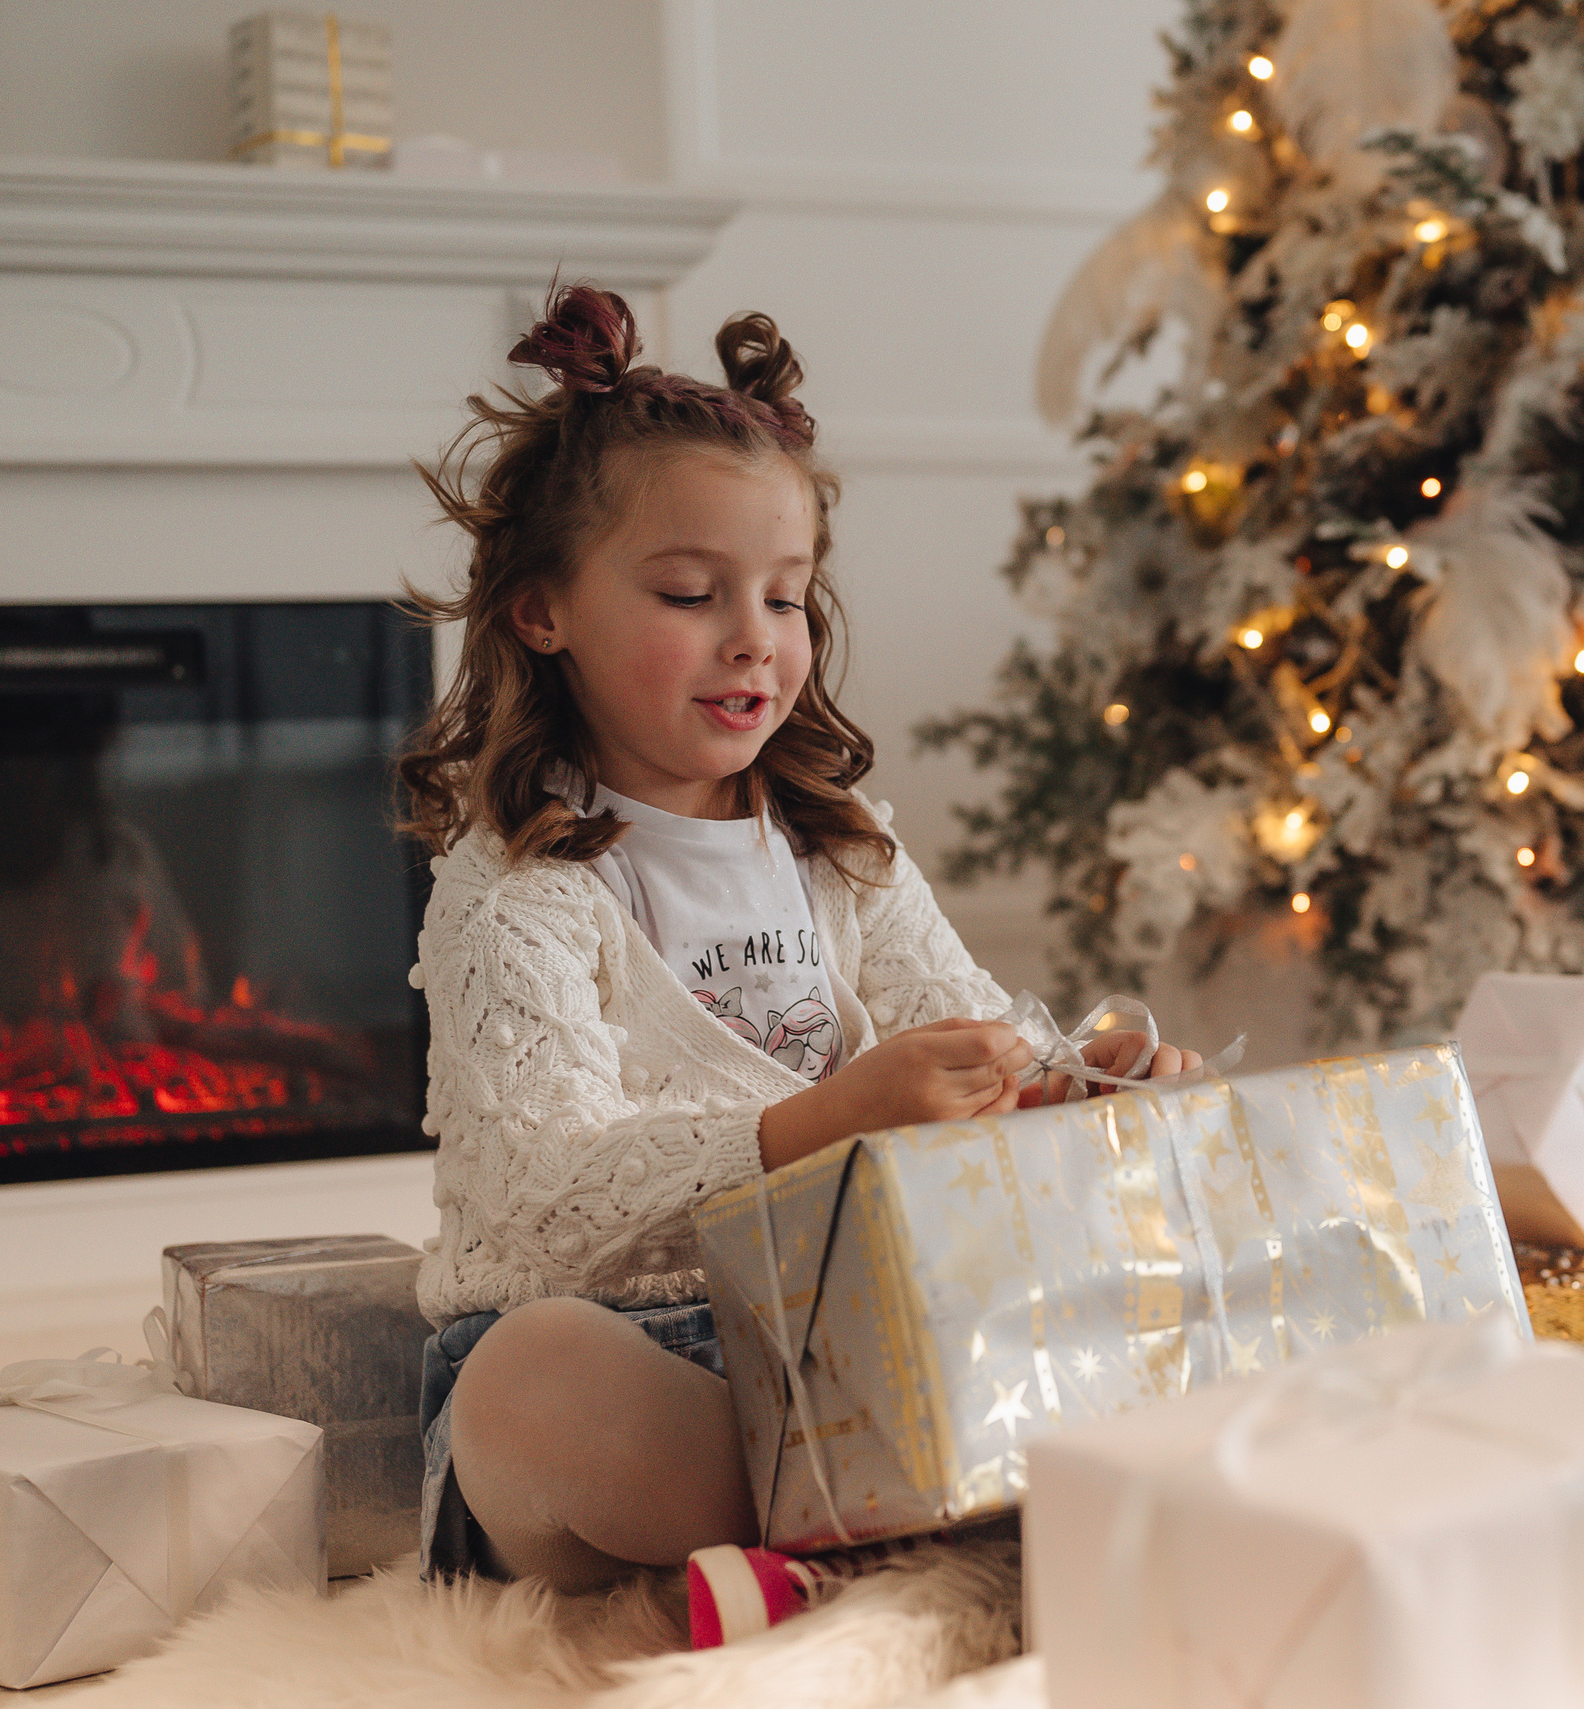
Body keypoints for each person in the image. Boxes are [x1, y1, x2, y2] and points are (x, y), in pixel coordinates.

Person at [396, 284, 1199, 1641]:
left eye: (784, 595)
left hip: (843, 1334)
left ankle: (820, 1548)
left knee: (1086, 1284)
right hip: (632, 1361)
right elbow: (534, 1205)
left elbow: (969, 1033)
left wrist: (1071, 1083)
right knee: (531, 1381)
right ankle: (889, 1526)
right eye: (691, 593)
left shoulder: (840, 845)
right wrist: (824, 1117)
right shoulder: (517, 891)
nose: (754, 637)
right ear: (543, 613)